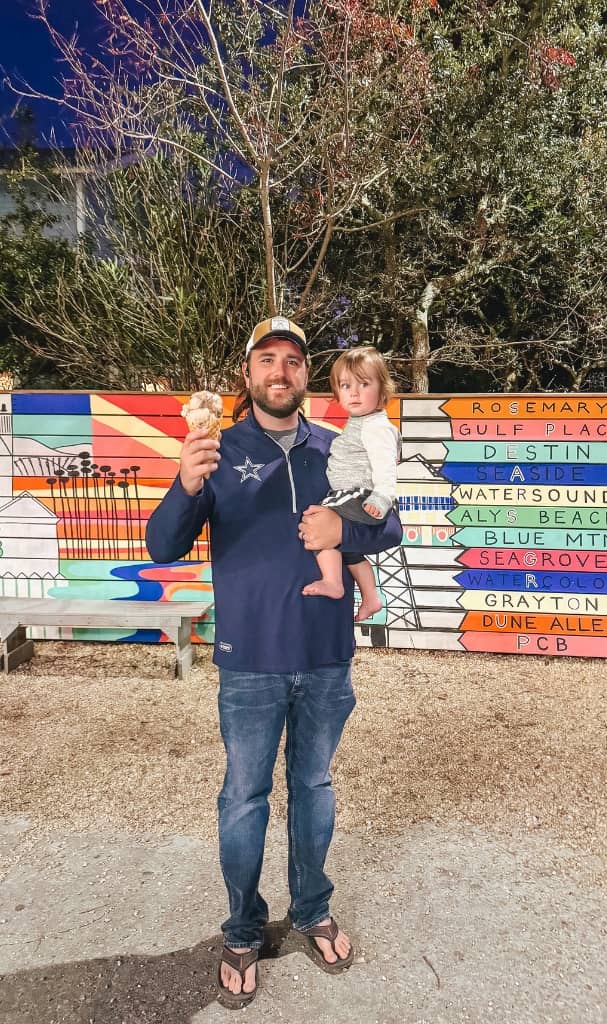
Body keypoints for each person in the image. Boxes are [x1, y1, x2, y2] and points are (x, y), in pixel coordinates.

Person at [145, 316, 402, 1010]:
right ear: (248, 374)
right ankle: (241, 927)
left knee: (313, 787)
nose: (280, 372)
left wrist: (342, 529)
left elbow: (389, 524)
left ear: (305, 375)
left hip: (324, 655)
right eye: (267, 360)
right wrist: (184, 485)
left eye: (292, 360)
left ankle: (312, 909)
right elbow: (164, 545)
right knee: (243, 798)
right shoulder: (216, 449)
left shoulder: (337, 446)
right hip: (249, 660)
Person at [302, 346, 401, 622]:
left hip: (359, 495)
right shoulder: (361, 422)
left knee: (315, 521)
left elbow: (385, 467)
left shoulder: (375, 427)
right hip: (354, 494)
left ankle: (333, 581)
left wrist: (381, 498)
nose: (354, 393)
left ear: (383, 390)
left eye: (364, 384)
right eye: (346, 386)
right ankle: (371, 597)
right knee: (351, 552)